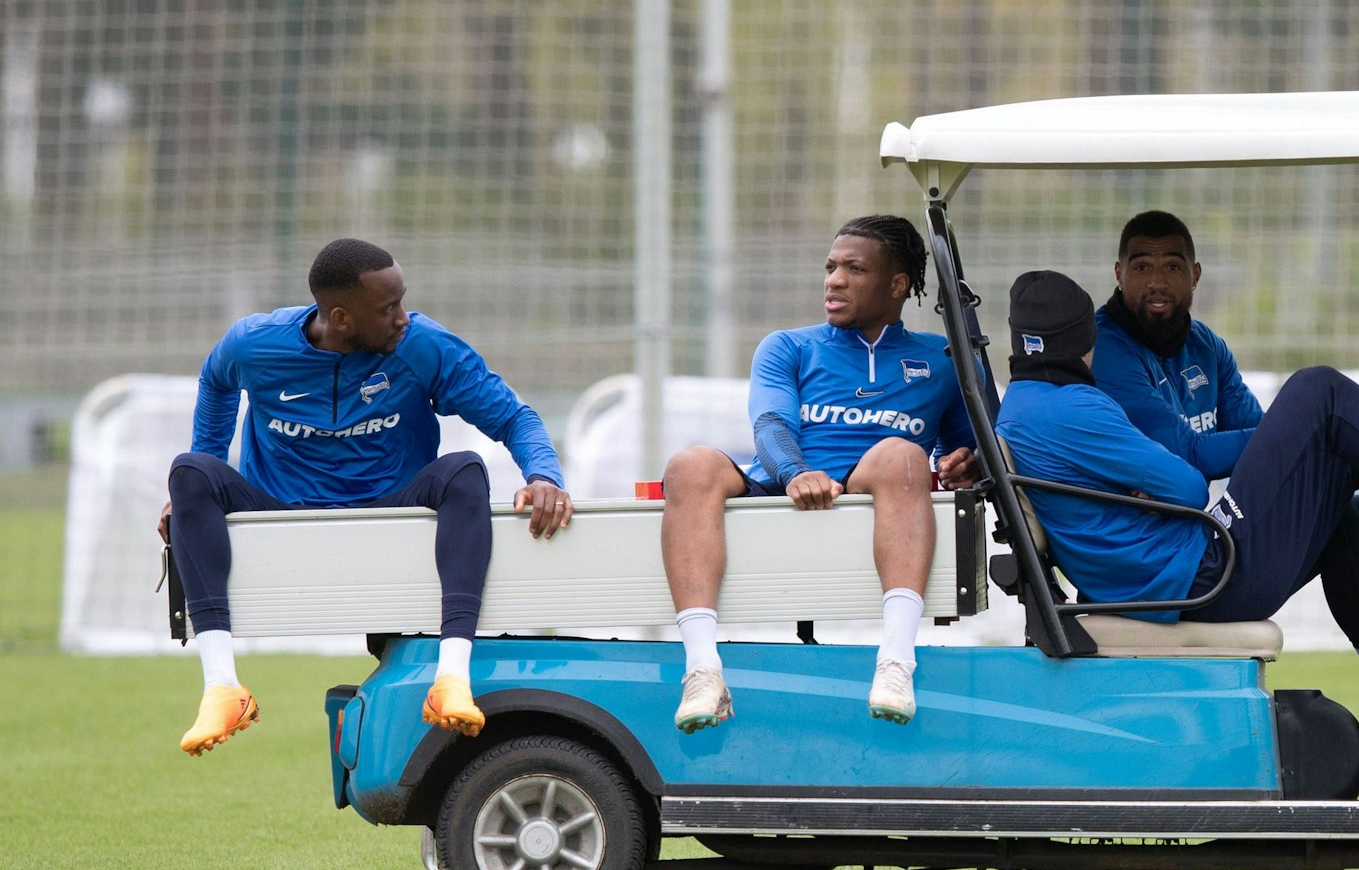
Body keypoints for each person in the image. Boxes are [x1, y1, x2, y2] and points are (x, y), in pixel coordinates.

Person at [997, 271, 1359, 759]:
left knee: (1344, 480)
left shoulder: (1022, 408)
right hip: (1198, 579)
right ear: (1083, 341)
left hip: (1174, 574)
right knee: (1318, 389)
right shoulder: (1076, 407)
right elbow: (1188, 485)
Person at [159, 238, 573, 756]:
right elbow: (214, 381)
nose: (403, 318)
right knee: (189, 473)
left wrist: (544, 476)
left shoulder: (423, 347)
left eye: (401, 302)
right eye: (387, 308)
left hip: (391, 508)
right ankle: (222, 687)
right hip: (280, 511)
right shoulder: (254, 344)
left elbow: (513, 415)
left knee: (465, 470)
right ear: (341, 318)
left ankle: (450, 680)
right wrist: (207, 457)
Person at [660, 215, 980, 732]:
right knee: (689, 465)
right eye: (831, 267)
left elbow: (965, 448)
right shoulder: (789, 346)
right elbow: (769, 423)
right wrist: (794, 472)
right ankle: (702, 670)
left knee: (902, 454)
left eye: (855, 269)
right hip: (784, 480)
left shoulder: (943, 360)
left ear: (898, 285)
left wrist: (966, 462)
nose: (834, 280)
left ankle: (896, 664)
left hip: (873, 483)